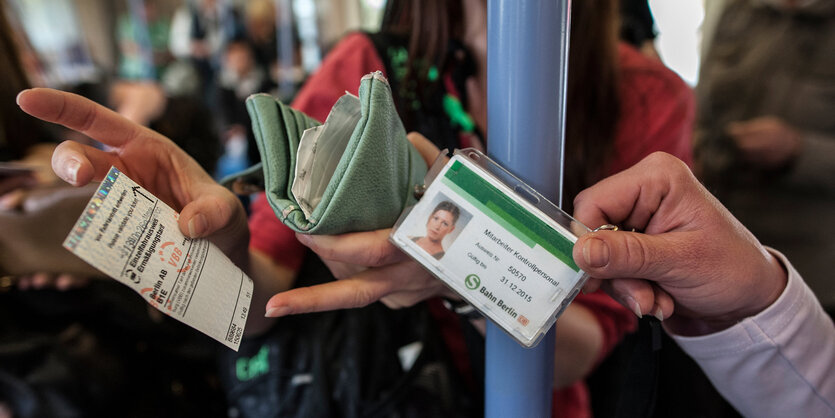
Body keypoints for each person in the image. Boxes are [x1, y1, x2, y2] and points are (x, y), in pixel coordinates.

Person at [695, 0, 835, 312]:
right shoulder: (738, 12)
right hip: (721, 255)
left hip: (811, 277)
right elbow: (703, 107)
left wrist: (799, 149)